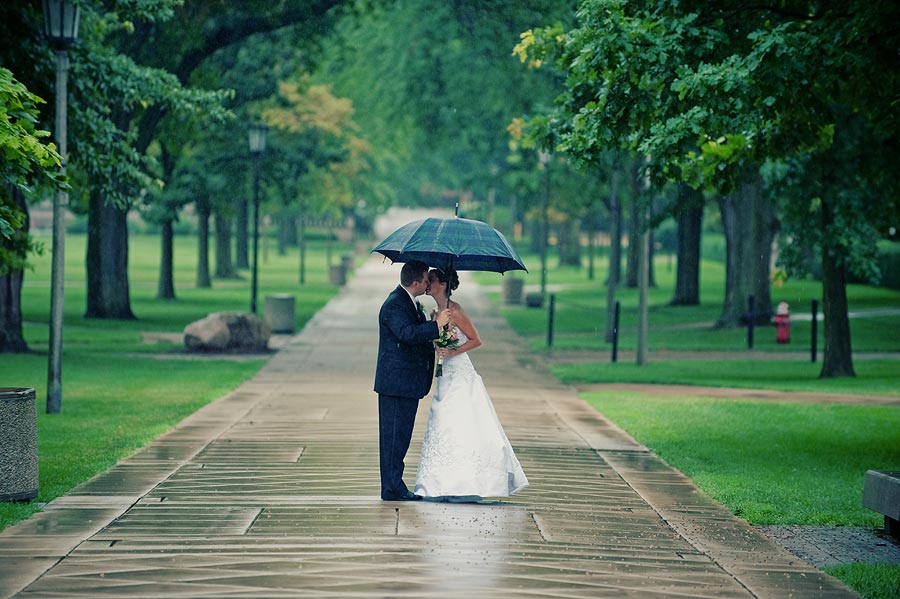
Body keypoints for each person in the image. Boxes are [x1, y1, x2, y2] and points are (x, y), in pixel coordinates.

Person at [414, 267, 528, 501]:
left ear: (443, 284)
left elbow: (476, 340)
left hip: (460, 373)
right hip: (444, 375)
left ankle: (469, 481)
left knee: (460, 422)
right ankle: (442, 481)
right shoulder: (436, 311)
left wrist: (452, 351)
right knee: (444, 424)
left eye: (432, 280)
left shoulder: (455, 311)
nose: (427, 283)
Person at [375, 260, 451, 501]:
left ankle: (395, 485)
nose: (429, 283)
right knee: (393, 438)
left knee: (401, 437)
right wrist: (435, 326)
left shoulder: (409, 302)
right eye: (427, 279)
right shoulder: (394, 305)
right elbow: (407, 334)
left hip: (406, 384)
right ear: (416, 282)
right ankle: (391, 488)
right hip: (396, 384)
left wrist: (431, 324)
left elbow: (415, 331)